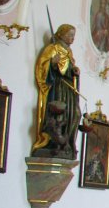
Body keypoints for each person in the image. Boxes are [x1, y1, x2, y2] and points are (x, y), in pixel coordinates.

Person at [32, 24, 84, 159]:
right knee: (60, 116)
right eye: (70, 35)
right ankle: (55, 143)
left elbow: (69, 70)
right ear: (61, 34)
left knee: (76, 114)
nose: (72, 38)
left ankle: (68, 143)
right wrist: (53, 64)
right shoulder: (52, 49)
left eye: (74, 36)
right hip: (58, 88)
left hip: (68, 89)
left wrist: (75, 71)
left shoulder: (68, 52)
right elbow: (42, 67)